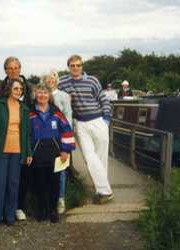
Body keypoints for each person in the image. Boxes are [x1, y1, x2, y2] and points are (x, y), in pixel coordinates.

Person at [58, 55, 114, 204]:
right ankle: (106, 190)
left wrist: (106, 120)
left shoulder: (92, 80)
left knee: (101, 159)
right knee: (90, 157)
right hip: (80, 123)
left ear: (82, 66)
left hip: (98, 120)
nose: (75, 68)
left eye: (78, 65)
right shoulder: (63, 82)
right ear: (68, 67)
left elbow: (103, 100)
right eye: (72, 65)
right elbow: (52, 91)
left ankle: (102, 191)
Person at [0, 56, 33, 221]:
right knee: (0, 182)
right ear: (5, 70)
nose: (13, 71)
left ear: (20, 69)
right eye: (10, 68)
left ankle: (15, 209)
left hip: (20, 142)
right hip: (2, 143)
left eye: (16, 68)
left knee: (17, 181)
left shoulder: (29, 89)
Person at [29, 83, 75, 223]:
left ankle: (53, 211)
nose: (42, 95)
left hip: (55, 153)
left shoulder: (57, 113)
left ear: (49, 96)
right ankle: (42, 211)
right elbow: (25, 134)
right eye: (39, 92)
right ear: (35, 95)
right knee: (39, 183)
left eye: (45, 93)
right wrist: (27, 152)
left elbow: (67, 130)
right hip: (36, 153)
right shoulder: (29, 113)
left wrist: (65, 150)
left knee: (54, 183)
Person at [42, 70, 72, 214]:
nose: (51, 80)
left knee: (61, 171)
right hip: (44, 140)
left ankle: (61, 199)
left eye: (53, 78)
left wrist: (66, 142)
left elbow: (68, 118)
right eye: (48, 78)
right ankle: (46, 200)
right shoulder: (40, 95)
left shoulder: (64, 96)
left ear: (57, 80)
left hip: (60, 139)